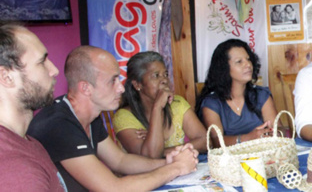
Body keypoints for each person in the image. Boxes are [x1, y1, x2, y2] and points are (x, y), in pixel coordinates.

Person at [27, 46, 198, 191]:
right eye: (113, 80)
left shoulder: (89, 115)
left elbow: (120, 161)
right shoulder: (59, 124)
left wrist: (167, 162)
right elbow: (113, 188)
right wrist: (176, 167)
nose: (121, 89)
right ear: (86, 88)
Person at [0, 24, 66, 191]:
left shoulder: (26, 142)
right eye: (42, 61)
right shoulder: (14, 170)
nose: (54, 70)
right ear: (6, 77)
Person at [113, 51, 207, 158]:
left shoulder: (177, 103)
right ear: (137, 84)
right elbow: (150, 157)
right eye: (156, 76)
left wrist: (163, 151)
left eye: (165, 74)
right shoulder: (123, 117)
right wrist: (157, 107)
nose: (164, 80)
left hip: (181, 171)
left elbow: (205, 142)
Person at [196, 39, 277, 147]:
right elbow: (216, 142)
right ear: (224, 68)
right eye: (239, 61)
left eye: (248, 59)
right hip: (229, 161)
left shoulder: (262, 95)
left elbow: (279, 130)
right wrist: (249, 138)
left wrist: (271, 133)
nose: (248, 64)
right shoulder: (212, 103)